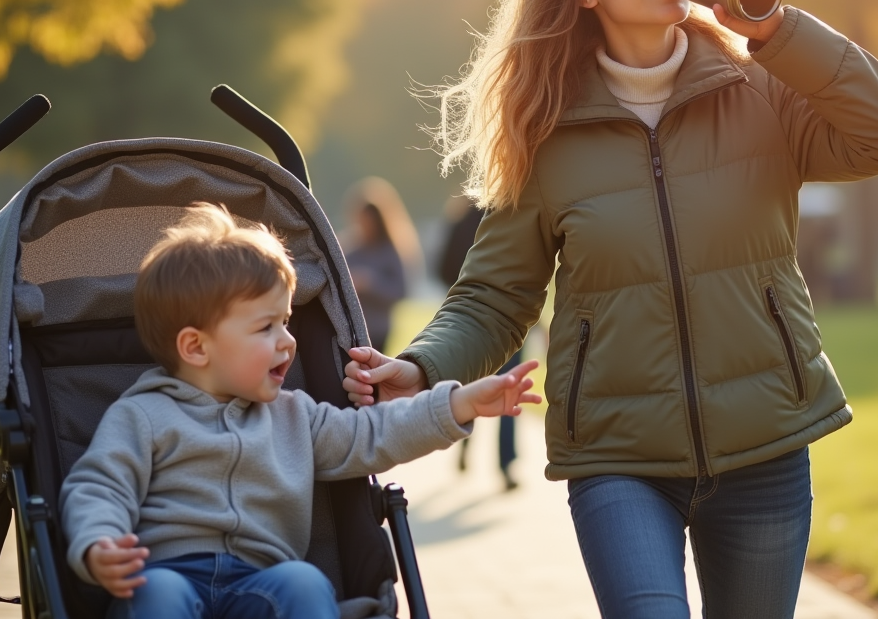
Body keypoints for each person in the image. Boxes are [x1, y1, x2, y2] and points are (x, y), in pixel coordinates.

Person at [341, 0, 878, 619]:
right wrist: (420, 368)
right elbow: (495, 294)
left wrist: (778, 30)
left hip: (765, 445)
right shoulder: (545, 136)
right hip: (619, 458)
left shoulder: (763, 91)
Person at [59, 203, 540, 619]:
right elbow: (98, 487)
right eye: (266, 326)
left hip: (261, 583)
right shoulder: (143, 416)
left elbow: (372, 435)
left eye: (287, 322)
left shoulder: (296, 417)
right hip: (168, 575)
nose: (288, 341)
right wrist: (99, 544)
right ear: (196, 347)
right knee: (156, 592)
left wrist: (456, 402)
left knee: (305, 583)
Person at [438, 197, 524, 490]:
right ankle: (506, 464)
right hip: (509, 318)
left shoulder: (463, 220)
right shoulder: (514, 214)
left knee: (468, 385)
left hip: (468, 320)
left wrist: (464, 292)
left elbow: (442, 267)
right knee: (510, 389)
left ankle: (464, 443)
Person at [341, 177, 422, 353]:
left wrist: (370, 283)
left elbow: (400, 291)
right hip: (350, 328)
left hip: (378, 329)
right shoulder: (349, 250)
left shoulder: (391, 251)